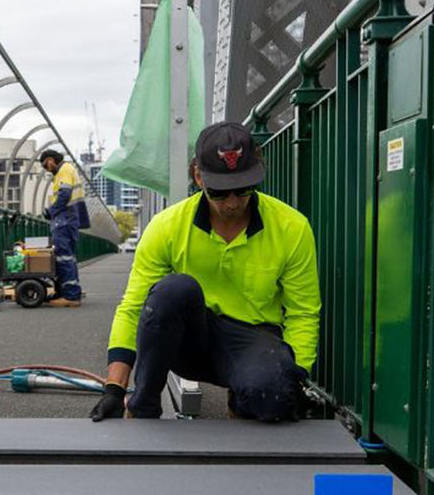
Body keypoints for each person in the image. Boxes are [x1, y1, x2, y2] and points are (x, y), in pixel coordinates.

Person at [90, 121, 320, 422]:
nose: (233, 203)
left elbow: (303, 313)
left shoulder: (292, 227)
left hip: (252, 339)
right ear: (198, 176)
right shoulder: (167, 226)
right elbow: (134, 308)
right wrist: (114, 389)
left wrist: (294, 378)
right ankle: (142, 407)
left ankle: (243, 400)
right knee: (173, 290)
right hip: (190, 340)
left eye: (243, 189)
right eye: (220, 192)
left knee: (273, 396)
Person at [39, 149, 89, 306]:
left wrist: (50, 211)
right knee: (68, 258)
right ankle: (70, 291)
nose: (46, 169)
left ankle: (70, 297)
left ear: (50, 160)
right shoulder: (67, 170)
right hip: (70, 219)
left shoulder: (64, 170)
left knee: (63, 258)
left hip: (64, 219)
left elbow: (64, 194)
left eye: (45, 165)